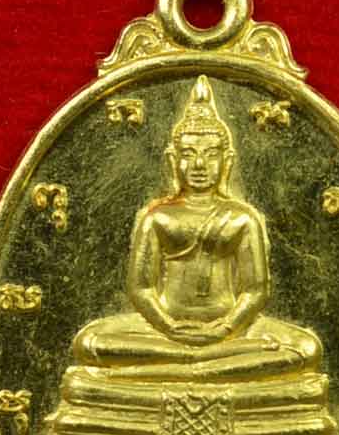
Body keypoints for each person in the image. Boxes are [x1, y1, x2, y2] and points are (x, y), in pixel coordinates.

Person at [72, 75, 321, 383]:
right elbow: (141, 288)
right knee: (89, 342)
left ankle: (176, 367)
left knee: (306, 348)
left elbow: (255, 290)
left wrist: (225, 329)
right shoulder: (158, 218)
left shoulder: (242, 218)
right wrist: (168, 326)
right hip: (164, 332)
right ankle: (202, 364)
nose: (200, 165)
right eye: (189, 154)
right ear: (172, 160)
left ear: (227, 161)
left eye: (210, 154)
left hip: (230, 331)